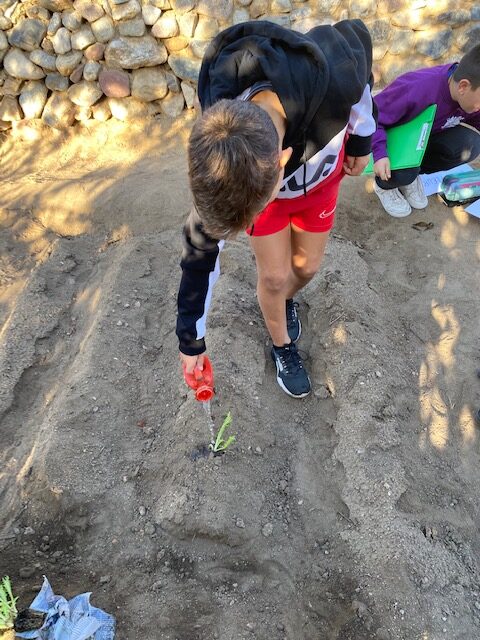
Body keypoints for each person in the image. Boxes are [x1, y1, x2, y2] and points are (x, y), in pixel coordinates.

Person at [176, 19, 376, 398]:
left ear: (283, 161)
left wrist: (362, 139)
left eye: (251, 214)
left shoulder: (335, 75)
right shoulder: (223, 148)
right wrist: (191, 341)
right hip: (274, 192)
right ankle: (282, 343)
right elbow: (199, 251)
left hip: (318, 186)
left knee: (306, 268)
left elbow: (360, 48)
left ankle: (283, 301)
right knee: (273, 277)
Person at [372, 44, 480, 217]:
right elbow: (372, 116)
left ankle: (411, 176)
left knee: (472, 144)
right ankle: (385, 186)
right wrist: (379, 153)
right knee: (406, 170)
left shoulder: (469, 98)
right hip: (393, 140)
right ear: (463, 87)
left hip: (423, 139)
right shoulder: (417, 89)